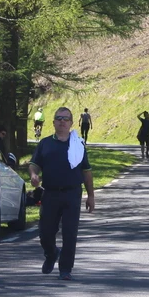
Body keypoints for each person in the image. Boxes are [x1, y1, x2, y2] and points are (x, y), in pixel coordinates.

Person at [28, 107, 94, 281]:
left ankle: (65, 269)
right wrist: (34, 175)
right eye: (59, 118)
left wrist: (91, 196)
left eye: (65, 119)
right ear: (53, 122)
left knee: (70, 233)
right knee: (45, 232)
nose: (62, 121)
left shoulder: (78, 145)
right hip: (50, 193)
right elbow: (34, 164)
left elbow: (86, 171)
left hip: (72, 194)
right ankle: (51, 253)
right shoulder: (45, 143)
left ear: (71, 123)